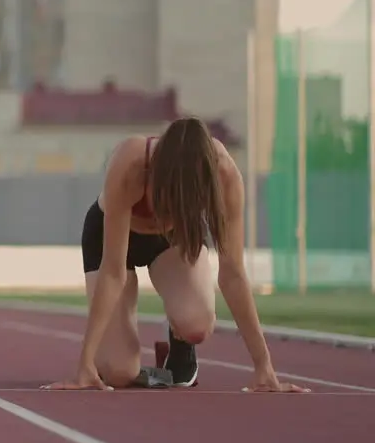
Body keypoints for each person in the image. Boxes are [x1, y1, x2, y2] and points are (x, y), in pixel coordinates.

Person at [43, 116, 307, 393]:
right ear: (156, 170)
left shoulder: (226, 177)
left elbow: (233, 275)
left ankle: (180, 347)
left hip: (173, 239)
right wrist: (84, 365)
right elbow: (113, 271)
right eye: (166, 192)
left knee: (196, 324)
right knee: (118, 373)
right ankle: (115, 363)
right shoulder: (131, 164)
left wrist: (263, 366)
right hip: (111, 238)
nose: (165, 206)